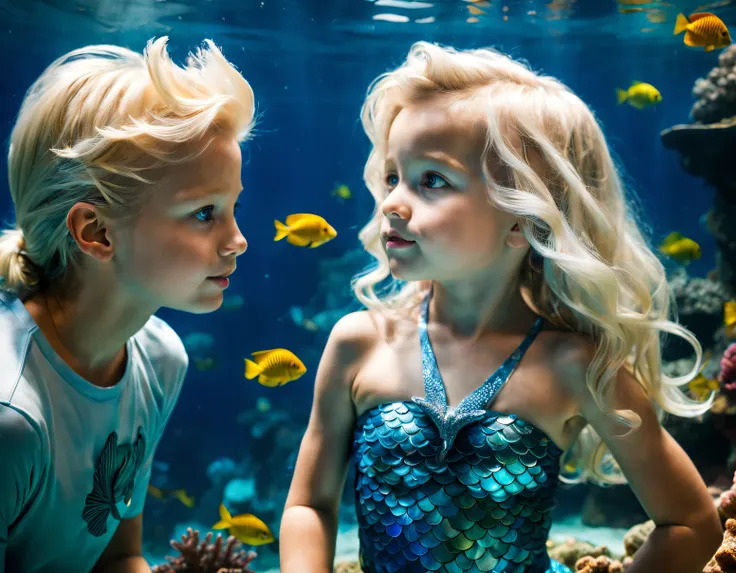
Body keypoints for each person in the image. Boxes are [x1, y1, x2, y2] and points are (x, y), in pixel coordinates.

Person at [279, 42, 723, 573]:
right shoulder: (358, 342)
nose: (391, 202)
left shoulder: (575, 365)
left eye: (432, 181)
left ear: (524, 218)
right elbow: (308, 505)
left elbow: (692, 524)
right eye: (393, 176)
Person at [0, 37, 254, 572]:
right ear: (96, 231)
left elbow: (119, 556)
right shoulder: (12, 418)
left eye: (232, 207)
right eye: (205, 213)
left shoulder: (160, 360)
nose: (238, 240)